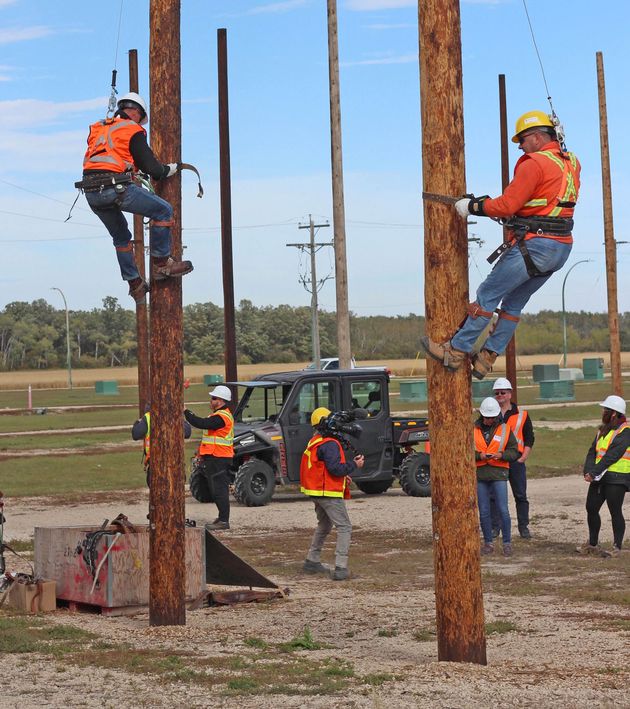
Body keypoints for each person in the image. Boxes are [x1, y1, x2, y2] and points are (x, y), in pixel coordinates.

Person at [422, 110, 581, 379]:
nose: (520, 145)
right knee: (514, 304)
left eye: (523, 139)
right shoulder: (570, 162)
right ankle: (486, 357)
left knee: (487, 296)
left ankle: (456, 350)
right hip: (560, 247)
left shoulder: (534, 163)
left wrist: (473, 207)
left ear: (539, 137)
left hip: (535, 244)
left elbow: (508, 204)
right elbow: (542, 202)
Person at [80, 92, 193, 303]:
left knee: (121, 238)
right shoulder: (131, 129)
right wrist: (172, 168)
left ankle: (135, 284)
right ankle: (162, 265)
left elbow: (109, 158)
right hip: (115, 187)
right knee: (163, 211)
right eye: (141, 118)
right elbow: (154, 170)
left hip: (92, 192)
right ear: (137, 112)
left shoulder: (100, 128)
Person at [300, 407, 365, 580]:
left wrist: (345, 476)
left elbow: (323, 468)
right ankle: (341, 568)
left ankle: (312, 561)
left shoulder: (315, 441)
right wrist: (354, 466)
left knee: (325, 525)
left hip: (316, 492)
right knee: (344, 527)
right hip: (327, 493)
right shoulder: (330, 444)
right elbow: (335, 469)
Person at [577, 395, 629, 558]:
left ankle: (617, 547)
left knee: (615, 510)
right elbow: (593, 451)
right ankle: (593, 544)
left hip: (617, 477)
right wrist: (588, 470)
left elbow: (612, 455)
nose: (603, 412)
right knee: (591, 508)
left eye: (605, 409)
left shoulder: (625, 431)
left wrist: (594, 472)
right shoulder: (602, 430)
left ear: (613, 413)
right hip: (600, 476)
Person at [184, 385, 234, 531]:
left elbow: (201, 423)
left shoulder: (222, 417)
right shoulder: (217, 415)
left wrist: (186, 412)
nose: (210, 401)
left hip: (219, 458)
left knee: (219, 490)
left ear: (221, 401)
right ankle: (222, 517)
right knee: (216, 489)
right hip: (214, 457)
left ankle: (224, 521)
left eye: (213, 398)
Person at [489, 377, 534, 539]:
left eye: (502, 392)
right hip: (496, 461)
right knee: (494, 496)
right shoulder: (490, 413)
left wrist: (524, 457)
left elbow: (529, 437)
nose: (499, 395)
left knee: (520, 495)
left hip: (515, 461)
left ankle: (523, 527)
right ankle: (496, 527)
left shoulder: (522, 415)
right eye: (497, 393)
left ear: (510, 394)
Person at [474, 397, 520, 557]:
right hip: (480, 475)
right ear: (482, 415)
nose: (489, 420)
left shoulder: (505, 429)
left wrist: (502, 455)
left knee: (503, 509)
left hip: (499, 474)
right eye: (487, 417)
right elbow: (464, 452)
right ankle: (488, 543)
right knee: (484, 511)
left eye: (492, 417)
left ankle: (507, 543)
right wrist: (479, 456)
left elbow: (515, 451)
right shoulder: (473, 430)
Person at [131, 405, 191, 487]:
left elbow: (136, 434)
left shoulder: (148, 417)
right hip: (174, 461)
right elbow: (187, 433)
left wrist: (137, 423)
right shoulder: (175, 415)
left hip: (155, 462)